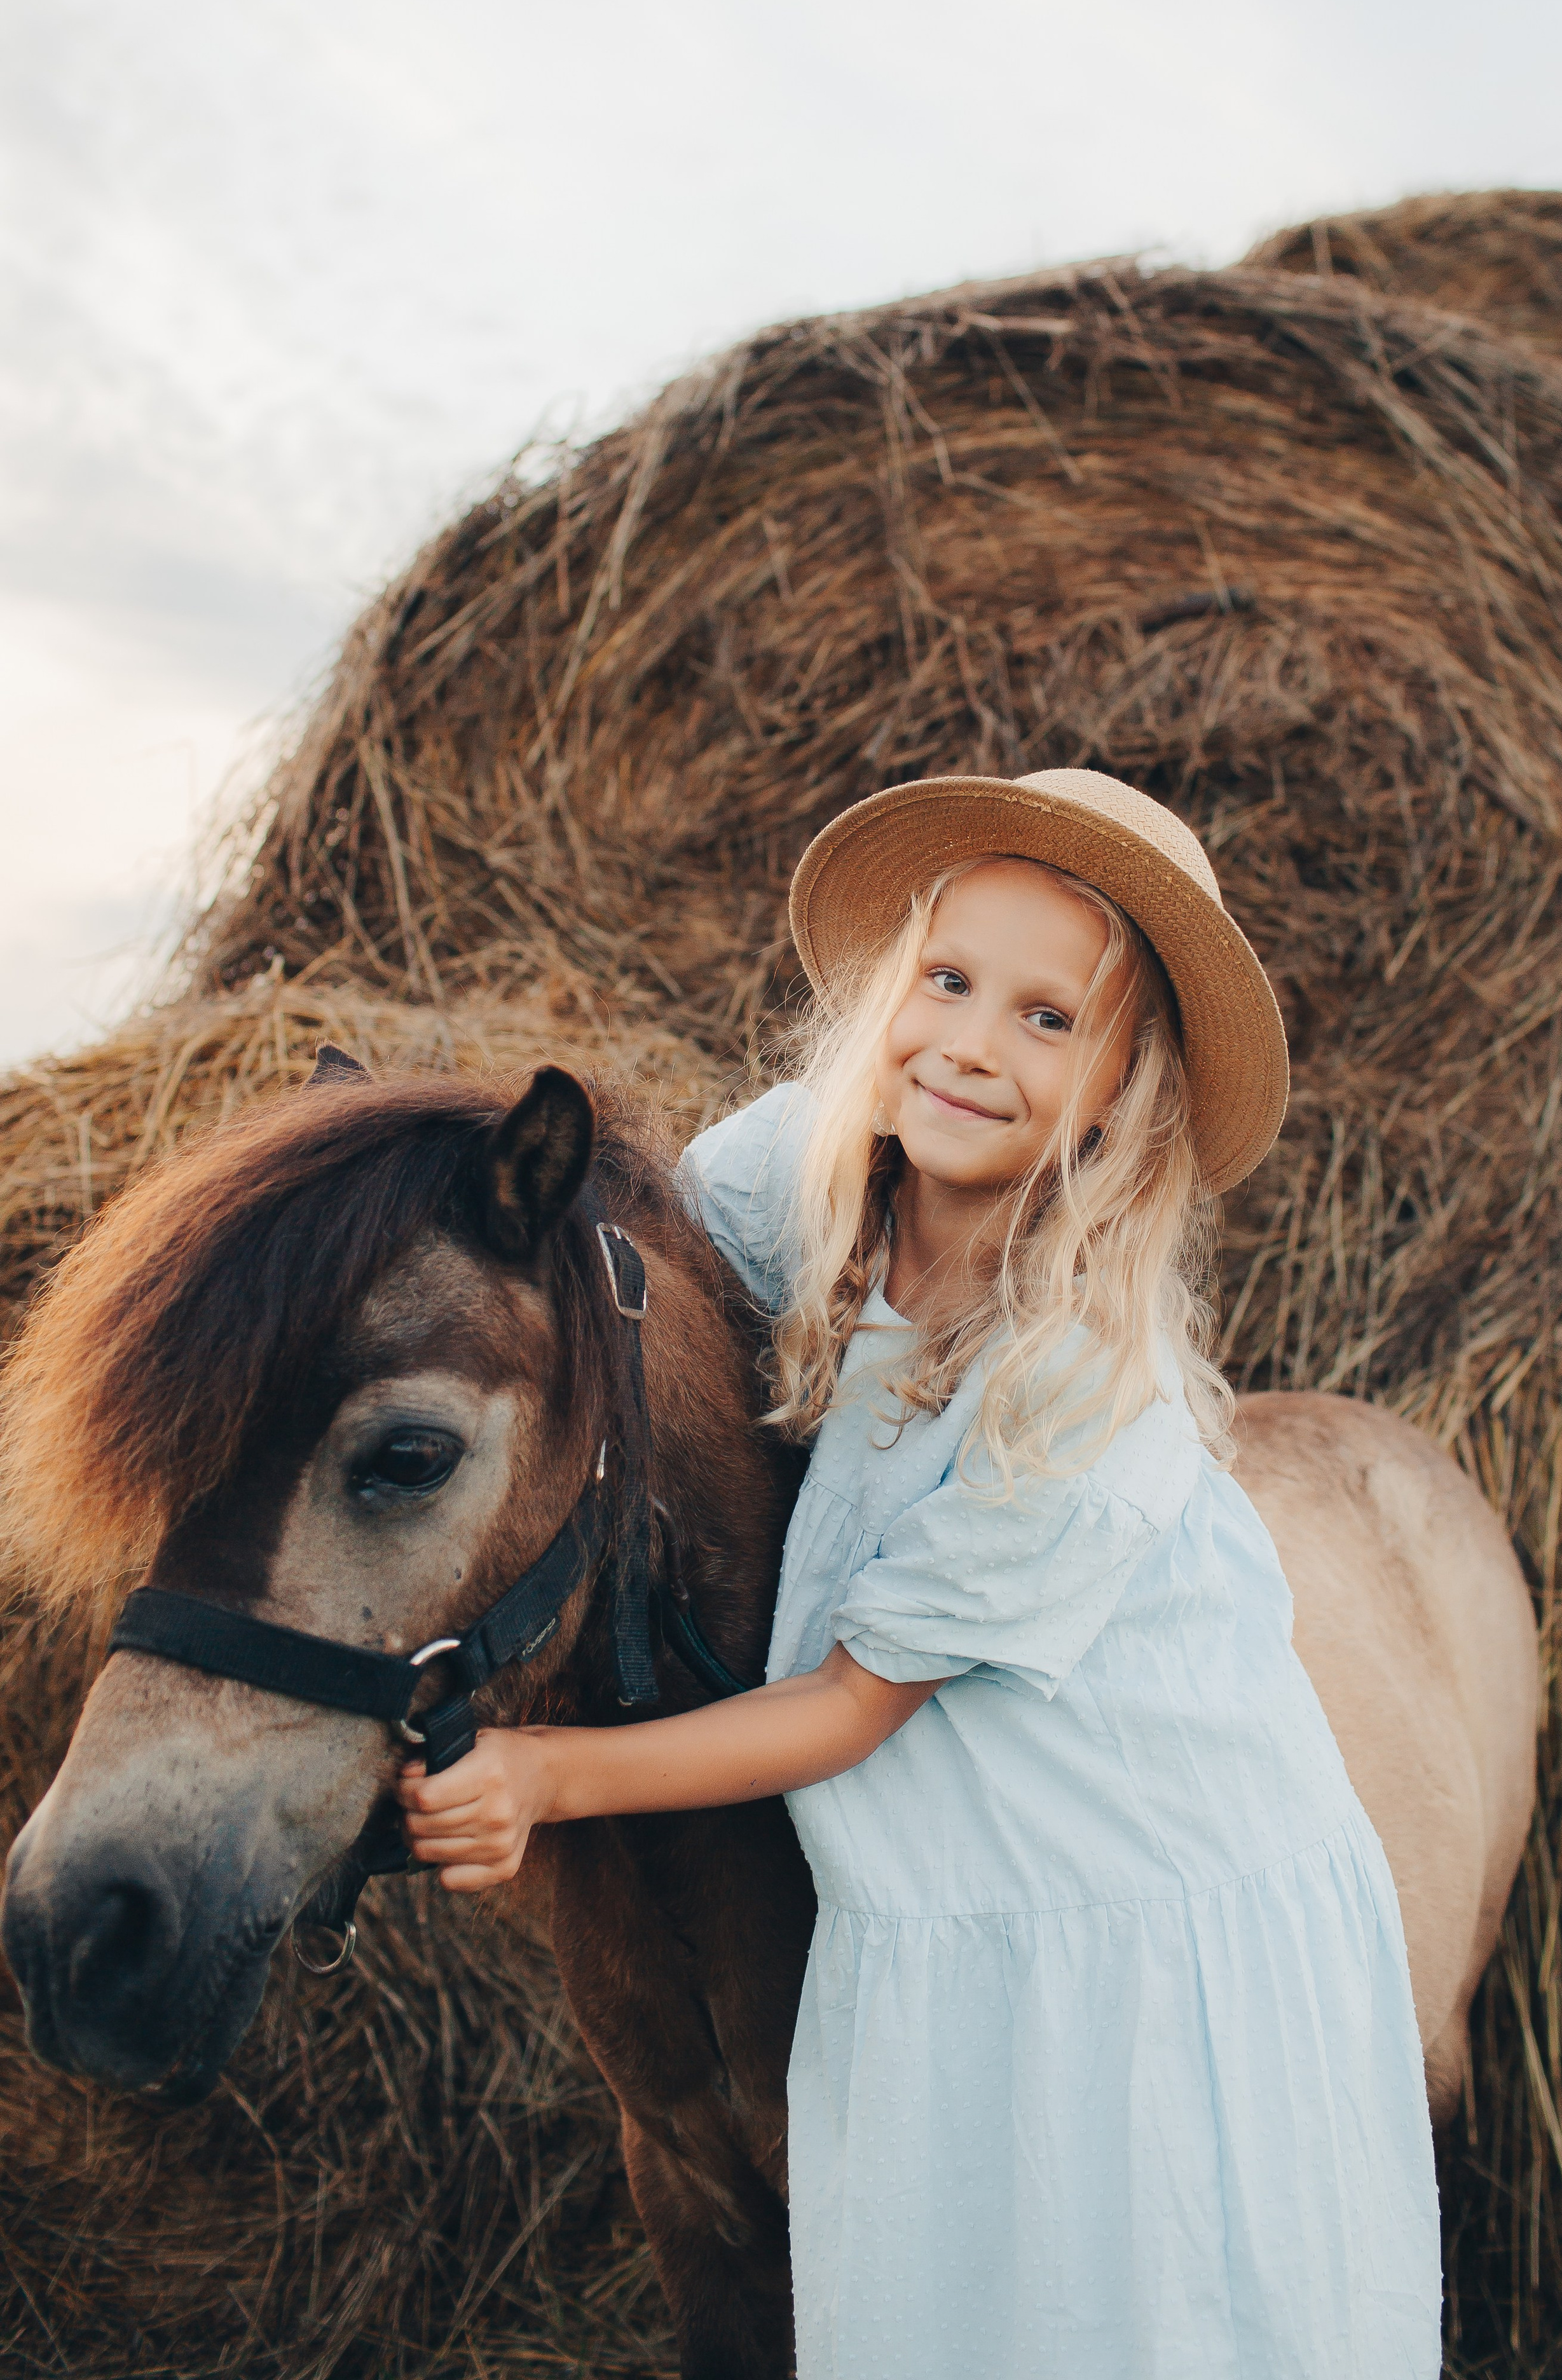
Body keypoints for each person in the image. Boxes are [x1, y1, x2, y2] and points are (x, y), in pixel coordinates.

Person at [397, 768, 1442, 2378]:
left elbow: (845, 1704)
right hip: (954, 1879)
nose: (966, 1042)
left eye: (1046, 1017)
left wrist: (550, 1770)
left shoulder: (1077, 1385)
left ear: (1119, 1091)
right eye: (946, 980)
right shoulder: (800, 1168)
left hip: (1129, 1898)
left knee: (1118, 2295)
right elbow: (615, 1263)